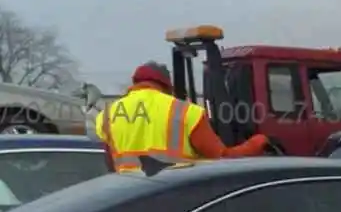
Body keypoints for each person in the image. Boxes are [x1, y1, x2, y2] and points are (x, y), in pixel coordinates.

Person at [95, 62, 271, 174]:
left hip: (128, 199)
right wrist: (258, 142)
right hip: (175, 197)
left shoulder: (108, 115)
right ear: (167, 84)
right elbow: (223, 159)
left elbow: (111, 164)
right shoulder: (186, 112)